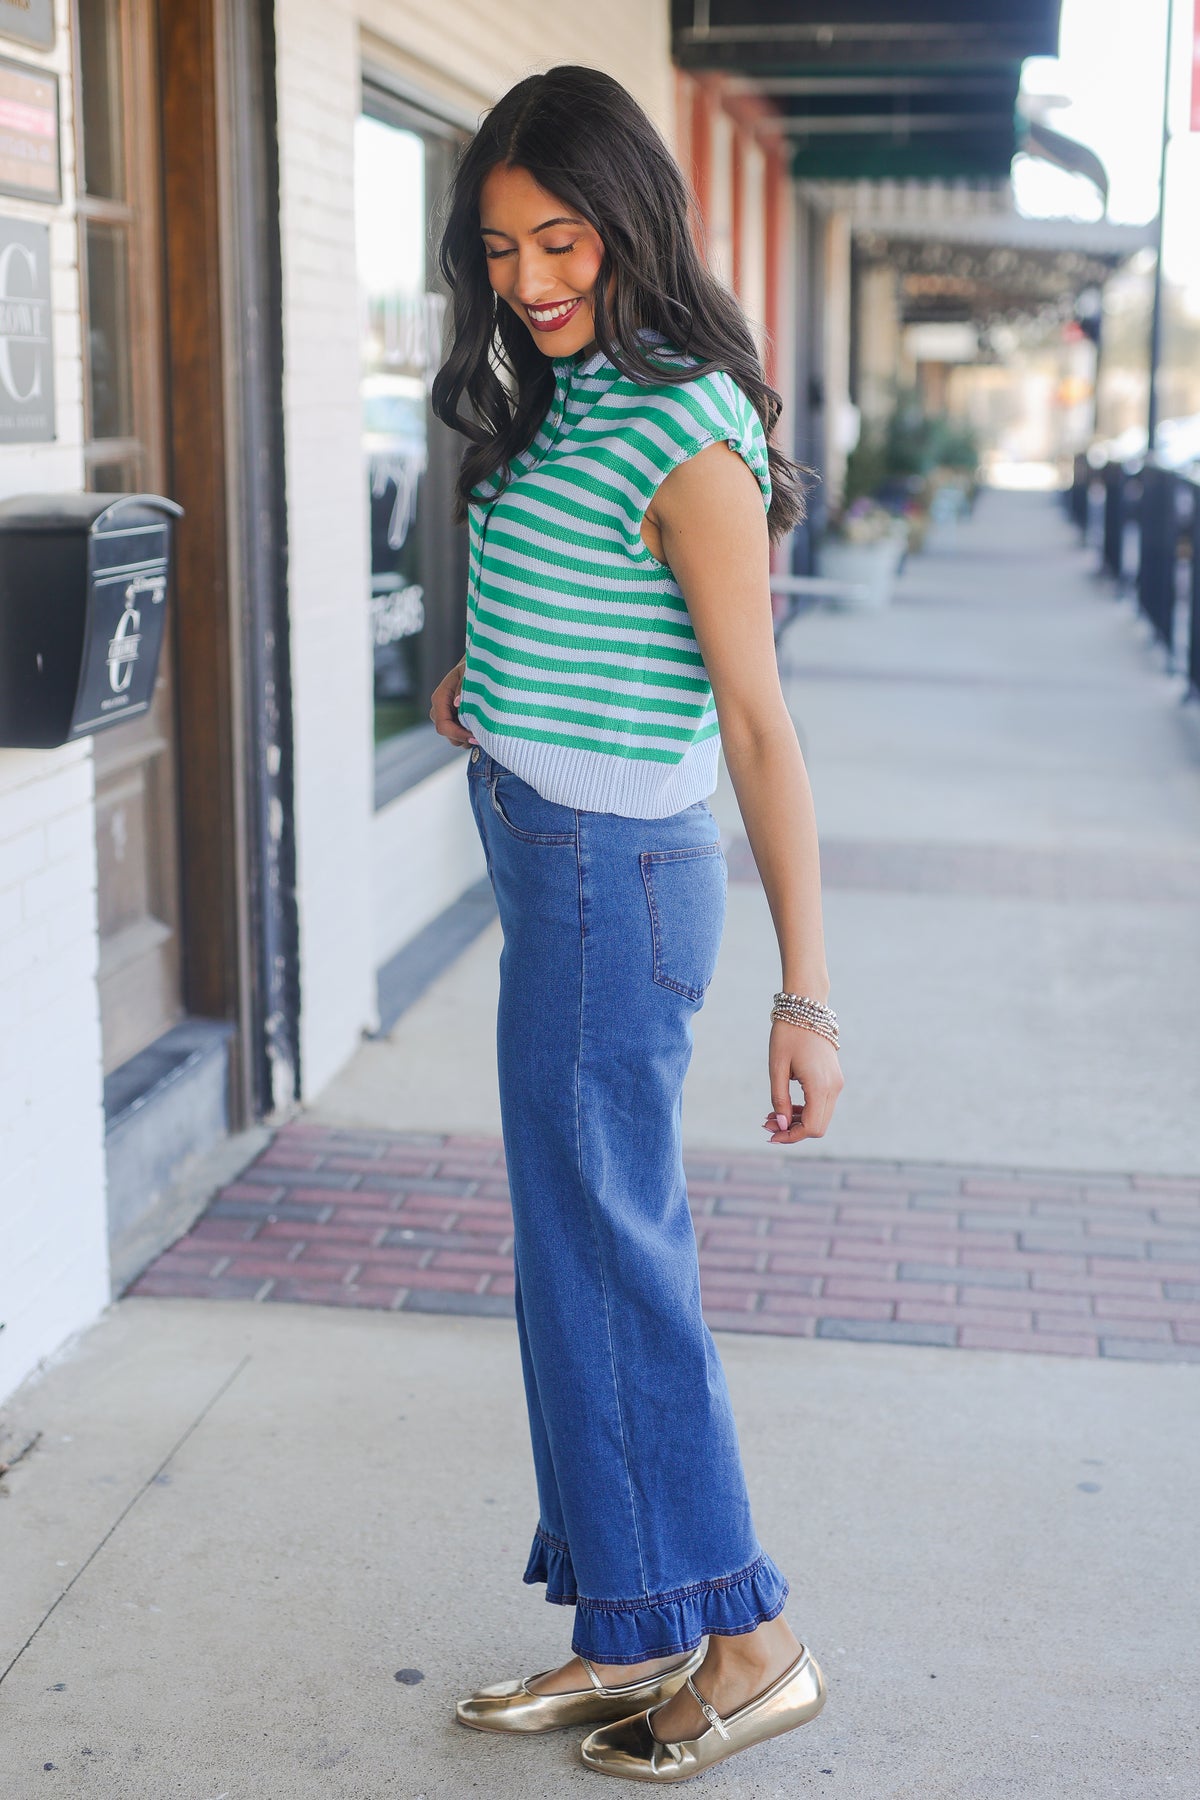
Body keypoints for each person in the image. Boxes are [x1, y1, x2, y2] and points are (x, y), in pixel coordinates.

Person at [428, 64, 843, 1785]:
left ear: (631, 221)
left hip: (617, 888)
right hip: (551, 859)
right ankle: (635, 1623)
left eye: (562, 239)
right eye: (500, 246)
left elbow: (757, 723)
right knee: (570, 1261)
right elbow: (582, 614)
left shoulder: (685, 431)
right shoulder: (570, 392)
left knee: (611, 1262)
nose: (528, 277)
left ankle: (748, 1640)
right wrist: (487, 685)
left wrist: (807, 997)